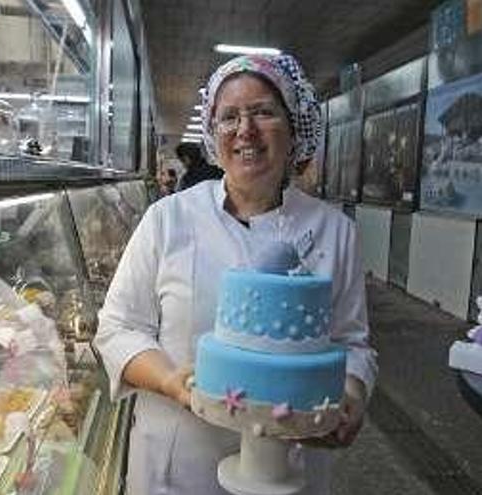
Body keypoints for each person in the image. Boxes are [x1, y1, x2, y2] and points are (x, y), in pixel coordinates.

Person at [94, 53, 377, 495]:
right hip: (178, 463)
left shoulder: (335, 231)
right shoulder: (168, 218)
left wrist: (352, 398)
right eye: (228, 117)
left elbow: (352, 342)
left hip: (289, 462)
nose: (245, 130)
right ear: (213, 134)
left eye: (263, 112)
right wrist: (171, 381)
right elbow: (117, 328)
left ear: (294, 126)